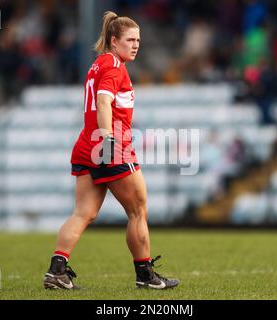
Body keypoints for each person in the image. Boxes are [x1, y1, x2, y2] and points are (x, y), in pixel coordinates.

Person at [43, 11, 180, 290]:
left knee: (83, 213)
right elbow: (104, 102)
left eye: (138, 40)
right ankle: (145, 276)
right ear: (114, 40)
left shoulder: (98, 64)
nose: (136, 44)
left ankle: (57, 271)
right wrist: (107, 138)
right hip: (110, 146)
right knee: (138, 211)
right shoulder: (114, 66)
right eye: (130, 39)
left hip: (86, 145)